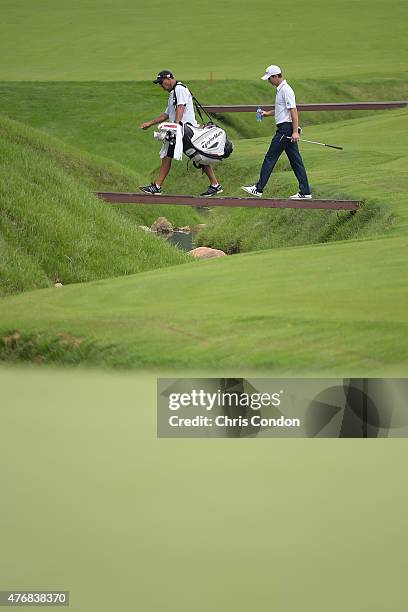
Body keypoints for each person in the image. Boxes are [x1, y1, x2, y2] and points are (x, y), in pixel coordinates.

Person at [139, 70, 223, 197]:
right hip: (180, 130)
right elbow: (166, 114)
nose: (161, 86)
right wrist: (149, 123)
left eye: (161, 83)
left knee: (180, 156)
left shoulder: (180, 89)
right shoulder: (173, 93)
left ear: (168, 79)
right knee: (189, 157)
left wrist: (176, 126)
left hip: (185, 131)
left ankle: (157, 187)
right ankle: (215, 185)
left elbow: (181, 107)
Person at [242, 65, 312, 199]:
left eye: (269, 78)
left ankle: (258, 188)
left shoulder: (286, 90)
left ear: (276, 76)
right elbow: (283, 109)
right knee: (296, 161)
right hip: (286, 128)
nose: (269, 81)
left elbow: (293, 111)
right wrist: (267, 113)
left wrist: (295, 131)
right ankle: (305, 191)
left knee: (270, 157)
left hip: (285, 130)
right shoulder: (280, 90)